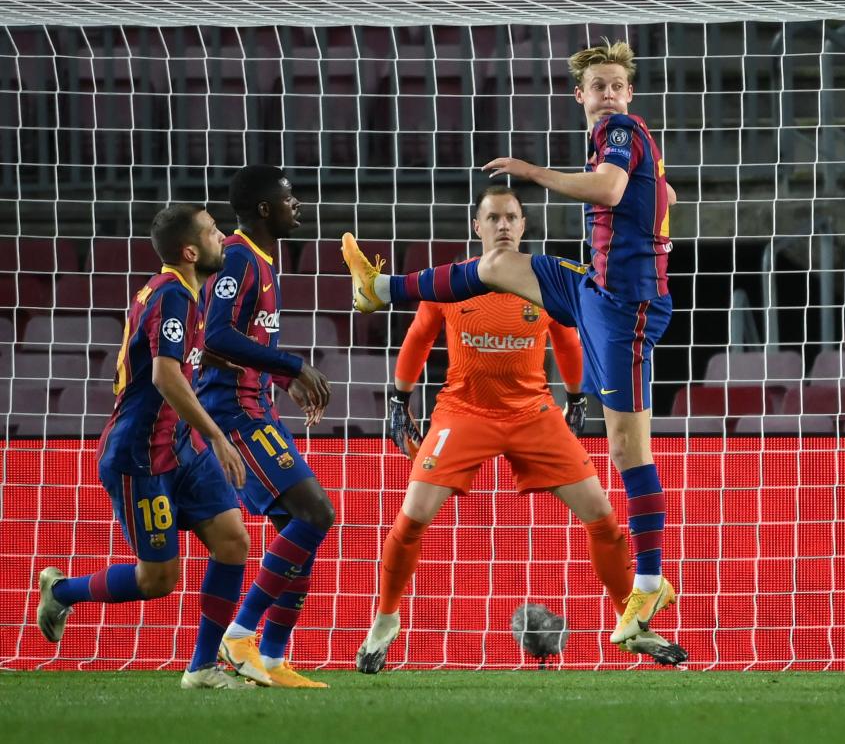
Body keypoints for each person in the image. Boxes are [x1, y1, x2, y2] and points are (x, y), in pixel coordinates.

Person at [342, 40, 679, 644]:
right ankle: (380, 287)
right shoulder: (625, 141)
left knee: (629, 453)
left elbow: (606, 191)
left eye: (615, 85)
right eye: (596, 86)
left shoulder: (621, 132)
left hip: (623, 308)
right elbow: (654, 196)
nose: (606, 95)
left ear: (627, 93)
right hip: (593, 293)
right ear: (579, 95)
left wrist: (529, 173)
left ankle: (648, 589)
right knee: (497, 267)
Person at [357, 186, 686, 672]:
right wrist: (398, 399)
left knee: (603, 516)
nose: (503, 225)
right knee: (412, 517)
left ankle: (632, 622)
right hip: (462, 412)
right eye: (493, 218)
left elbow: (568, 340)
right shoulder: (453, 284)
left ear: (524, 225)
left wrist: (575, 398)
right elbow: (418, 339)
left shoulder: (537, 281)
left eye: (511, 217)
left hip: (533, 412)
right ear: (477, 227)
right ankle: (385, 621)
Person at [35, 204, 254, 689]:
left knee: (234, 542)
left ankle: (201, 669)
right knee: (158, 580)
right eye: (215, 233)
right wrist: (217, 436)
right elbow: (164, 372)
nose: (224, 238)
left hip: (179, 447)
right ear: (191, 251)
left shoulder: (181, 293)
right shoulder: (173, 295)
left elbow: (175, 354)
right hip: (140, 454)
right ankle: (63, 591)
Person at [198, 165, 333, 688]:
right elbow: (215, 337)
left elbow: (243, 344)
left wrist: (281, 379)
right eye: (288, 197)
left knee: (298, 533)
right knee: (316, 513)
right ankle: (240, 635)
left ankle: (271, 661)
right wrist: (292, 365)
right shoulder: (237, 257)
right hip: (233, 413)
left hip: (259, 406)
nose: (296, 205)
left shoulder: (262, 261)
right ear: (263, 210)